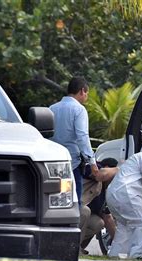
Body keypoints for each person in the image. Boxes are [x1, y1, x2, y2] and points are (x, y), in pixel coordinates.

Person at [49, 76, 98, 207]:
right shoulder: (79, 109)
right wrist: (92, 163)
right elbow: (82, 136)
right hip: (73, 163)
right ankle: (74, 226)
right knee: (74, 202)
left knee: (58, 201)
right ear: (82, 91)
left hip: (53, 164)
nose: (86, 96)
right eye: (87, 93)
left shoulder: (52, 108)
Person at [80, 158, 120, 254]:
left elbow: (107, 218)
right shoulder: (92, 168)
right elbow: (100, 174)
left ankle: (79, 246)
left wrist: (120, 244)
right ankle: (74, 248)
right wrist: (120, 169)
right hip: (71, 209)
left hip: (81, 219)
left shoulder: (105, 191)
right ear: (107, 168)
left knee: (98, 223)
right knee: (85, 211)